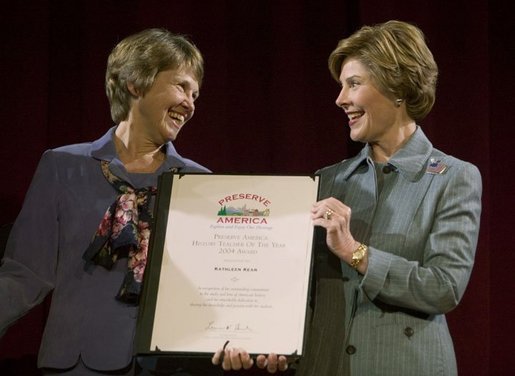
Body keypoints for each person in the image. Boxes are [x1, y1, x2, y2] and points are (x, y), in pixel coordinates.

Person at [212, 20, 482, 376]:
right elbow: (295, 289)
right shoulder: (326, 180)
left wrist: (356, 252)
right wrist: (268, 339)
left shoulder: (454, 177)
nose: (340, 100)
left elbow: (444, 287)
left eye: (354, 84)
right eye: (342, 86)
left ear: (396, 87)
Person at [0, 28, 214, 375]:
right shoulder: (63, 166)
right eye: (181, 86)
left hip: (170, 365)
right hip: (80, 363)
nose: (190, 103)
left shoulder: (199, 182)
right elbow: (26, 272)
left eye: (195, 94)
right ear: (135, 82)